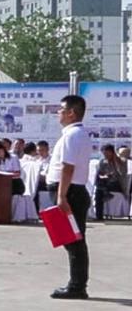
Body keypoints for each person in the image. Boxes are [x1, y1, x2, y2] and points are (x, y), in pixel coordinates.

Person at [47, 94, 92, 299]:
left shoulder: (72, 135)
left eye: (61, 109)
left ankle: (77, 286)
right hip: (71, 191)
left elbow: (68, 167)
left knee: (73, 241)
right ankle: (77, 284)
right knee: (72, 240)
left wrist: (62, 196)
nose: (59, 113)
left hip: (70, 192)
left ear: (71, 113)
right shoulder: (77, 134)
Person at [95, 143, 128, 221]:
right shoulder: (103, 162)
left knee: (100, 188)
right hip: (106, 183)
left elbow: (122, 173)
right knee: (99, 190)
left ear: (112, 152)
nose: (105, 156)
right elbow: (100, 174)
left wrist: (115, 160)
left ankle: (105, 192)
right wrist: (105, 175)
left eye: (107, 154)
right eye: (104, 154)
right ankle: (99, 216)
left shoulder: (121, 161)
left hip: (117, 185)